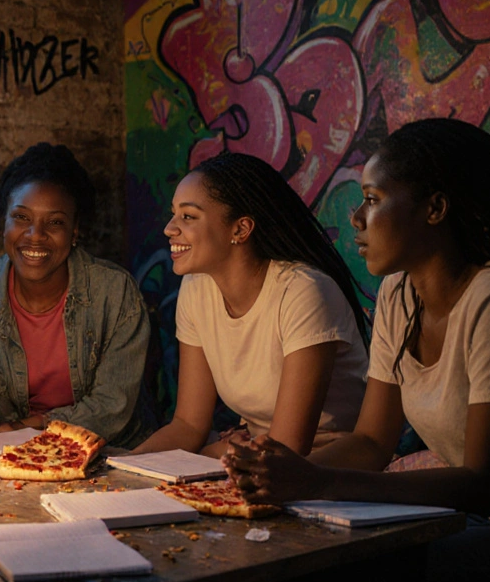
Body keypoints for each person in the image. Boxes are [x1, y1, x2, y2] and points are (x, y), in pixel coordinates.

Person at [224, 118, 490, 582]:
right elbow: (372, 443)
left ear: (435, 209)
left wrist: (318, 479)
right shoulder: (400, 297)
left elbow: (484, 485)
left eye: (374, 199)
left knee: (356, 581)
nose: (356, 217)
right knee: (282, 555)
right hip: (476, 525)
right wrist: (284, 479)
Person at [130, 153, 369, 457]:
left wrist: (224, 453)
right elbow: (189, 425)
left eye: (188, 216)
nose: (170, 228)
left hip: (327, 465)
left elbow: (286, 450)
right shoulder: (196, 287)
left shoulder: (303, 292)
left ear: (240, 229)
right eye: (174, 214)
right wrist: (118, 469)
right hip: (256, 455)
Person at [0, 143, 150, 449]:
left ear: (75, 231)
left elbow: (111, 408)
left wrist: (24, 428)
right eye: (22, 218)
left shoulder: (116, 293)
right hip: (5, 458)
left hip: (109, 456)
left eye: (54, 222)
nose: (35, 235)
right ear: (4, 223)